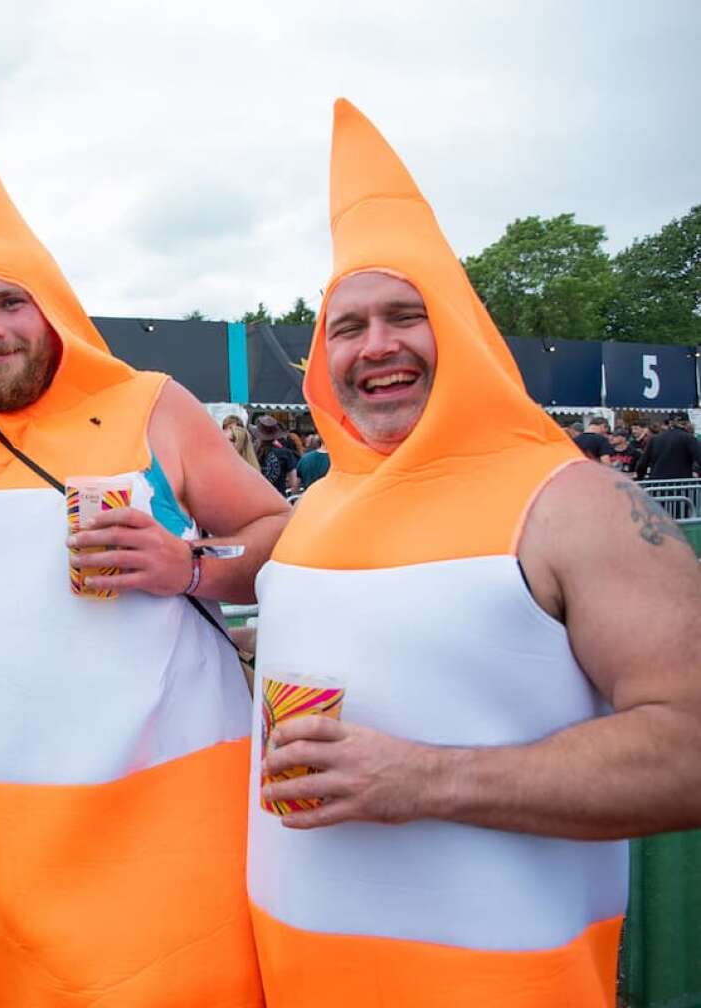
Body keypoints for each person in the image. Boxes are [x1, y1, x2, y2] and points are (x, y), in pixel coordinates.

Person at [248, 99, 701, 1007]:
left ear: (459, 327)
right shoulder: (318, 504)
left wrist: (426, 779)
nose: (377, 346)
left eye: (406, 315)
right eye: (348, 325)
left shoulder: (574, 501)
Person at [0, 112, 287, 1006]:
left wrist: (186, 568)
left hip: (175, 805)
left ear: (53, 309)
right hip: (18, 820)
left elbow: (278, 538)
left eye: (10, 301)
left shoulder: (152, 405)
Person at [636, 412, 701, 479]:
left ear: (670, 423)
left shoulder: (655, 439)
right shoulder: (689, 438)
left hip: (656, 484)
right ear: (687, 423)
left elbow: (642, 464)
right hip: (680, 484)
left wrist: (640, 478)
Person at [254, 414, 300, 494]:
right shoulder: (286, 453)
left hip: (257, 498)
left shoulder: (252, 452)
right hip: (278, 499)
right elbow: (293, 483)